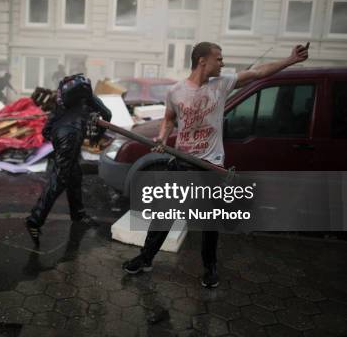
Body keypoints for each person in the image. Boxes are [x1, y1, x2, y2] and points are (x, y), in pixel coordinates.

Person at [121, 41, 309, 288]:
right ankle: (145, 259)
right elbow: (168, 119)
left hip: (210, 166)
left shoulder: (222, 84)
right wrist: (162, 138)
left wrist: (291, 60)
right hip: (181, 163)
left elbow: (258, 72)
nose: (222, 63)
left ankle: (210, 269)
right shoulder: (176, 91)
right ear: (202, 61)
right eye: (218, 59)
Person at [25, 74, 112, 246]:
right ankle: (34, 220)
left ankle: (78, 215)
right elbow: (107, 114)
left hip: (59, 135)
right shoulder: (88, 98)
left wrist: (57, 138)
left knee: (74, 175)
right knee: (60, 178)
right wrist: (97, 136)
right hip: (71, 136)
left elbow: (47, 129)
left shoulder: (61, 98)